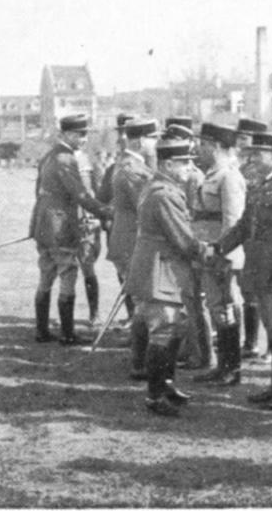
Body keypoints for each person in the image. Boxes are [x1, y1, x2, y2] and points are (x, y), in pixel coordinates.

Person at [217, 131, 272, 409]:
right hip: (259, 269)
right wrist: (219, 247)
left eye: (258, 154)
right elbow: (244, 226)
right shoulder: (260, 187)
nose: (252, 159)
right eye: (251, 153)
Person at [125, 135, 207, 417]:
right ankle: (155, 394)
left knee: (175, 327)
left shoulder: (157, 186)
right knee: (163, 329)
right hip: (160, 269)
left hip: (161, 266)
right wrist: (208, 251)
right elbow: (182, 239)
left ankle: (167, 385)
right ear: (168, 164)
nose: (189, 168)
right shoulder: (164, 194)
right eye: (184, 163)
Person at [28, 114, 112, 345]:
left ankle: (42, 331)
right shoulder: (66, 159)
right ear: (65, 134)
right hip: (60, 225)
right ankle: (67, 334)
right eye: (79, 134)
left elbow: (38, 193)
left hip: (43, 225)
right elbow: (81, 195)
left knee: (46, 274)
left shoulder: (48, 156)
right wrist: (108, 212)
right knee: (68, 272)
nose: (84, 139)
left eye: (85, 134)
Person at [191, 122, 246, 386]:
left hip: (221, 255)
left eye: (202, 144)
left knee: (224, 308)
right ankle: (224, 365)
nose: (198, 149)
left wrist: (223, 255)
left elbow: (232, 222)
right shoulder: (213, 174)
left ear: (214, 146)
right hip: (209, 252)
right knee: (217, 307)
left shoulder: (228, 177)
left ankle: (231, 368)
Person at [107, 119, 160, 379]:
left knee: (142, 301)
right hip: (132, 242)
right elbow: (147, 206)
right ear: (140, 141)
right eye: (153, 138)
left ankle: (141, 360)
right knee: (144, 303)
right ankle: (141, 364)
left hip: (129, 240)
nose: (156, 143)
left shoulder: (131, 165)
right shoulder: (132, 169)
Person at [164, 119, 213, 371]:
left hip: (191, 241)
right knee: (186, 301)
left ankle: (202, 354)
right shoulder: (176, 173)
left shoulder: (194, 176)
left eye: (175, 140)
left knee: (195, 302)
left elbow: (193, 213)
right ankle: (190, 348)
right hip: (182, 242)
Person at [235, 117, 269, 360]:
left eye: (245, 139)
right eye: (239, 138)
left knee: (262, 293)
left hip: (261, 236)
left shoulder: (258, 170)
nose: (241, 143)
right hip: (246, 235)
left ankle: (266, 346)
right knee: (249, 291)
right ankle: (250, 342)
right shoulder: (242, 168)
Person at [97, 114, 136, 322]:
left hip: (138, 230)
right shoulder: (113, 168)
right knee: (123, 274)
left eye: (126, 134)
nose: (122, 139)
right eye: (120, 134)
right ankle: (132, 315)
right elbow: (102, 196)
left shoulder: (149, 165)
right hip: (117, 229)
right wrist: (106, 213)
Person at [74, 148, 103, 326]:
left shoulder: (90, 161)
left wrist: (96, 218)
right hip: (65, 222)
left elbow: (100, 194)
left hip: (87, 221)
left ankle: (94, 313)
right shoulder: (57, 159)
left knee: (87, 265)